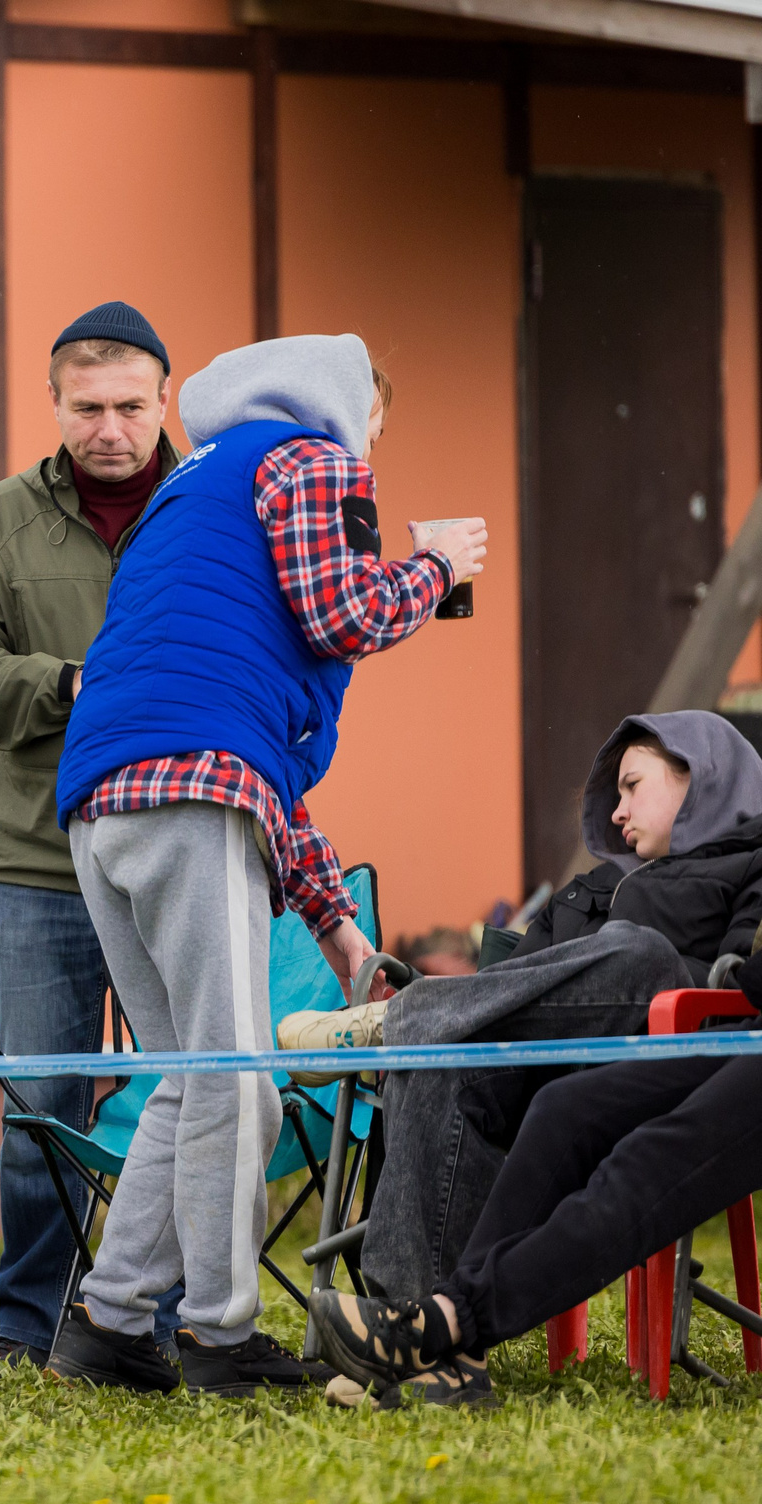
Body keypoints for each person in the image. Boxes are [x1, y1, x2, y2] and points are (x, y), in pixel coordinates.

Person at [43, 332, 483, 1396]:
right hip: (189, 795)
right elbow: (346, 612)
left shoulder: (191, 490)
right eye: (375, 425)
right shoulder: (312, 459)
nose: (371, 450)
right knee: (237, 1081)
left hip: (101, 804)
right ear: (345, 402)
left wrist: (339, 933)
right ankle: (219, 1336)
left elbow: (251, 755)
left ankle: (105, 1325)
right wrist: (437, 567)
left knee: (187, 1077)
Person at [284, 711, 762, 1300]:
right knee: (438, 1062)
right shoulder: (589, 890)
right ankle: (407, 1319)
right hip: (545, 1070)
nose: (617, 813)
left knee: (643, 953)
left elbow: (739, 988)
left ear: (699, 774)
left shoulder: (752, 862)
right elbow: (510, 989)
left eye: (632, 786)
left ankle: (403, 1018)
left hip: (663, 1071)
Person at [0, 300, 182, 1375]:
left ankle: (158, 1318)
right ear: (54, 403)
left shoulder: (212, 504)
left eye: (129, 406)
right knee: (42, 1104)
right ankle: (27, 1327)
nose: (109, 429)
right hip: (39, 857)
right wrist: (71, 686)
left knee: (188, 1090)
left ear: (165, 398)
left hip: (182, 849)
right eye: (87, 408)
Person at [309, 942, 762, 1410]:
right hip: (576, 1017)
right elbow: (526, 953)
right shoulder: (586, 897)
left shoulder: (715, 893)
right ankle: (441, 1351)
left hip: (670, 1013)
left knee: (648, 1155)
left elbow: (738, 970)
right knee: (555, 1107)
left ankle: (442, 1324)